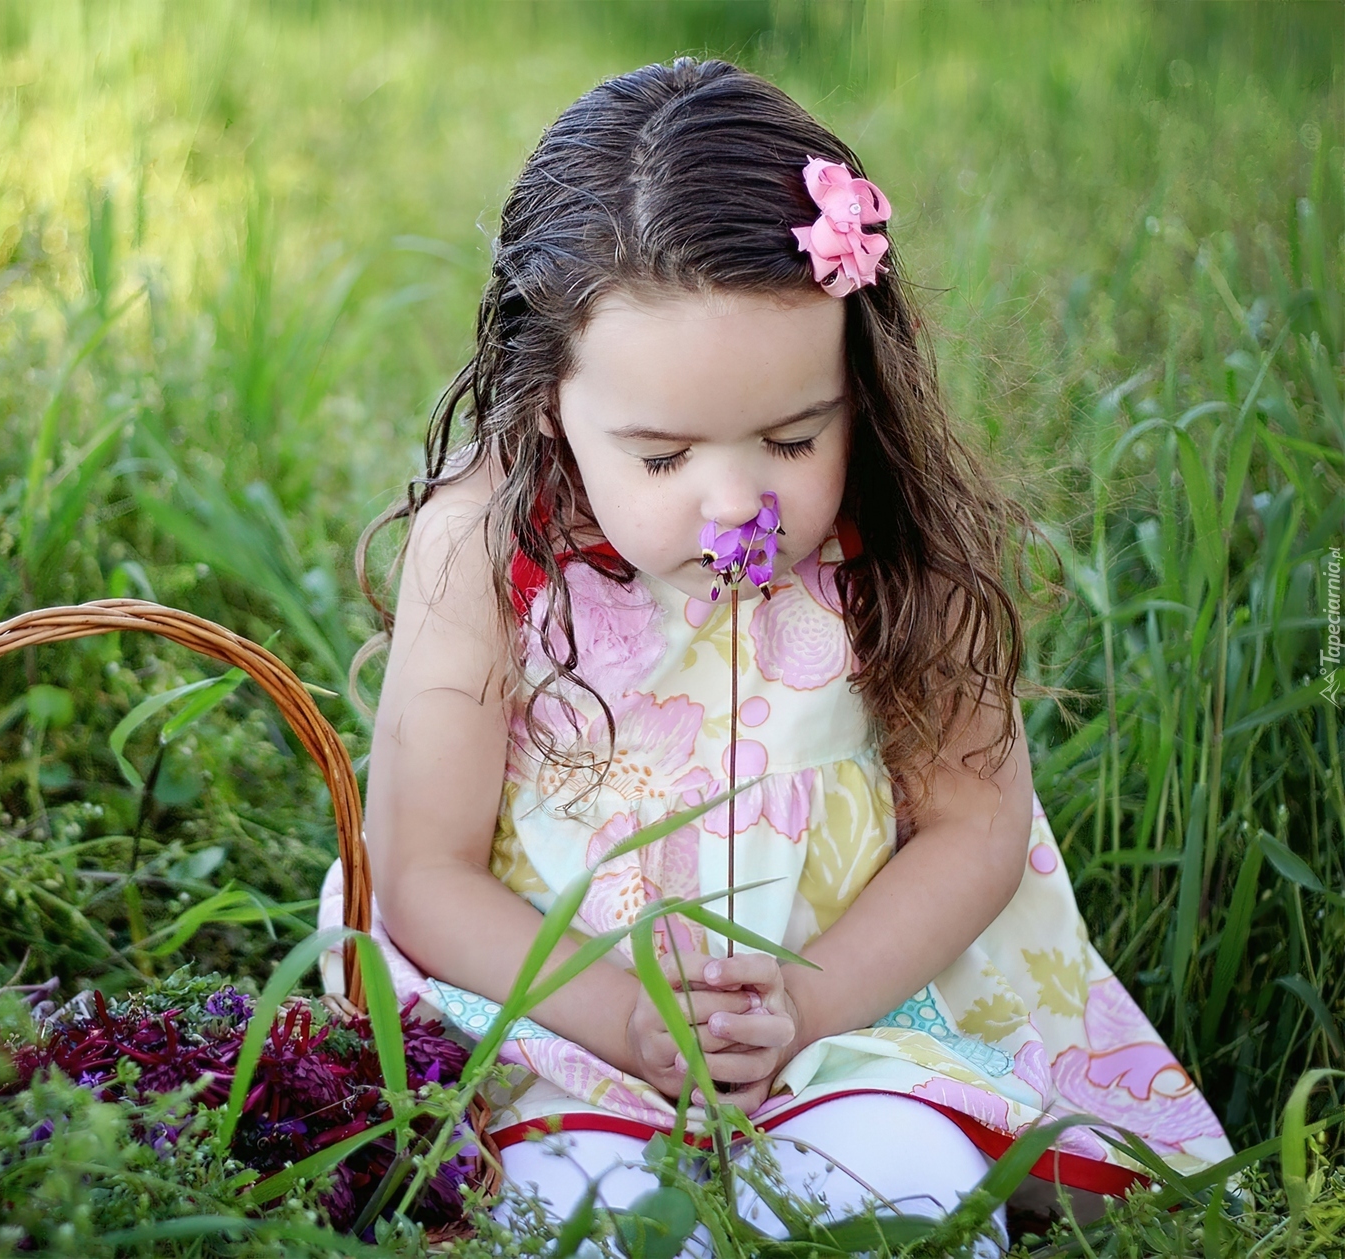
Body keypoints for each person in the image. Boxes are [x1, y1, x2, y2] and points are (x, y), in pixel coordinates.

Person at [318, 58, 1232, 1249]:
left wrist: (804, 1004)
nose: (736, 500)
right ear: (547, 401)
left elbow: (976, 826)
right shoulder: (484, 549)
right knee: (573, 1209)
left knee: (904, 1188)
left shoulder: (893, 539)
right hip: (564, 1016)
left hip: (856, 1004)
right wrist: (629, 1022)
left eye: (796, 437)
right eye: (661, 457)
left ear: (857, 387)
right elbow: (422, 865)